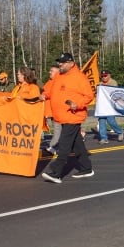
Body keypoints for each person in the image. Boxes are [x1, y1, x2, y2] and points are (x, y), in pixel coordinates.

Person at [40, 53, 95, 184]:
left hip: (73, 115)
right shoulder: (59, 75)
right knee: (77, 145)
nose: (60, 64)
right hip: (61, 116)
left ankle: (56, 173)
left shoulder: (79, 77)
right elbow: (51, 89)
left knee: (64, 145)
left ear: (71, 63)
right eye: (59, 62)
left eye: (63, 62)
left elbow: (89, 95)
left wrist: (77, 104)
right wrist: (44, 95)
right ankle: (87, 168)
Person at [96, 69, 124, 144]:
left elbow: (114, 93)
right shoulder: (99, 84)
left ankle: (120, 132)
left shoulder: (113, 82)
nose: (104, 77)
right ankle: (104, 138)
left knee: (111, 121)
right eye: (102, 76)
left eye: (105, 76)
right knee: (101, 121)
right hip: (102, 106)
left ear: (109, 75)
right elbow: (97, 94)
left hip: (110, 106)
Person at [42, 64, 61, 155]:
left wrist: (44, 95)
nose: (49, 72)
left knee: (58, 129)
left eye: (52, 71)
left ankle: (52, 146)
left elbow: (51, 93)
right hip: (51, 111)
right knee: (58, 129)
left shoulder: (58, 82)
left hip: (57, 110)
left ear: (57, 72)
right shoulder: (50, 81)